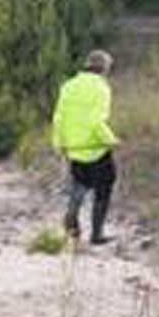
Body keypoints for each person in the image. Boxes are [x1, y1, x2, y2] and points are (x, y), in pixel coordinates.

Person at [52, 50, 119, 245]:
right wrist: (111, 139)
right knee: (104, 187)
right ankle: (96, 234)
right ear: (104, 68)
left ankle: (71, 218)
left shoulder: (68, 86)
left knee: (80, 183)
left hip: (74, 147)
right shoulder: (101, 88)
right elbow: (96, 120)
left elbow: (58, 117)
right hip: (95, 146)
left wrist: (59, 143)